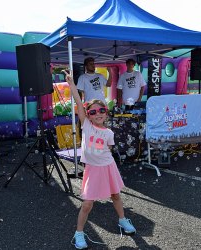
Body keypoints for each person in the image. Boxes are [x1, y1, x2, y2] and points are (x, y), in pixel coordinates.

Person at [63, 70, 136, 250]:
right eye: (93, 111)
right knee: (88, 203)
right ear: (88, 115)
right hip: (93, 169)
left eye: (102, 110)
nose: (98, 114)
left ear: (106, 113)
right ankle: (79, 232)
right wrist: (72, 85)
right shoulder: (86, 124)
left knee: (116, 195)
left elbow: (108, 150)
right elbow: (79, 103)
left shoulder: (109, 133)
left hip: (108, 167)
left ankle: (122, 220)